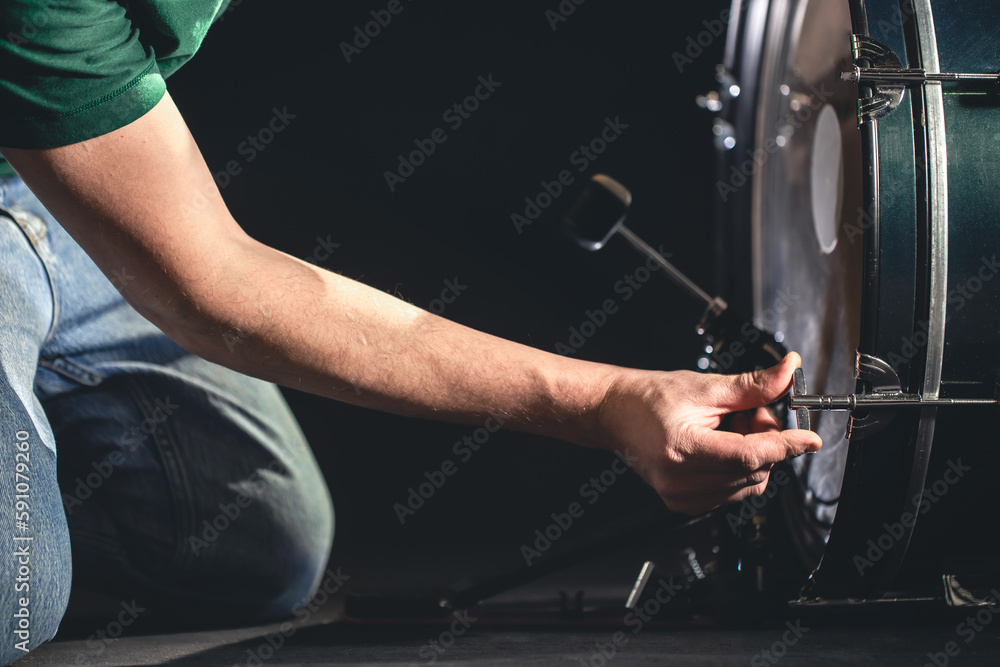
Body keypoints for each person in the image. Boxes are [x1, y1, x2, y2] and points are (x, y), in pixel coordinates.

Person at [0, 1, 821, 662]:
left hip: (55, 180)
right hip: (48, 158)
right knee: (16, 593)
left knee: (263, 545)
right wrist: (609, 402)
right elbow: (215, 288)